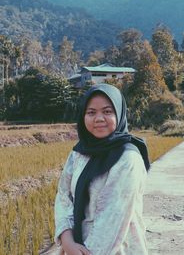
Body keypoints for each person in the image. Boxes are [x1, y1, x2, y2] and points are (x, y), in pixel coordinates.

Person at [54, 83, 150, 255]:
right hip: (77, 246)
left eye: (107, 111)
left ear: (119, 114)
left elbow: (110, 223)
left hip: (117, 248)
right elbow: (63, 196)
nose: (98, 118)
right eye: (91, 112)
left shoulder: (128, 159)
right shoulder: (79, 153)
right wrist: (66, 238)